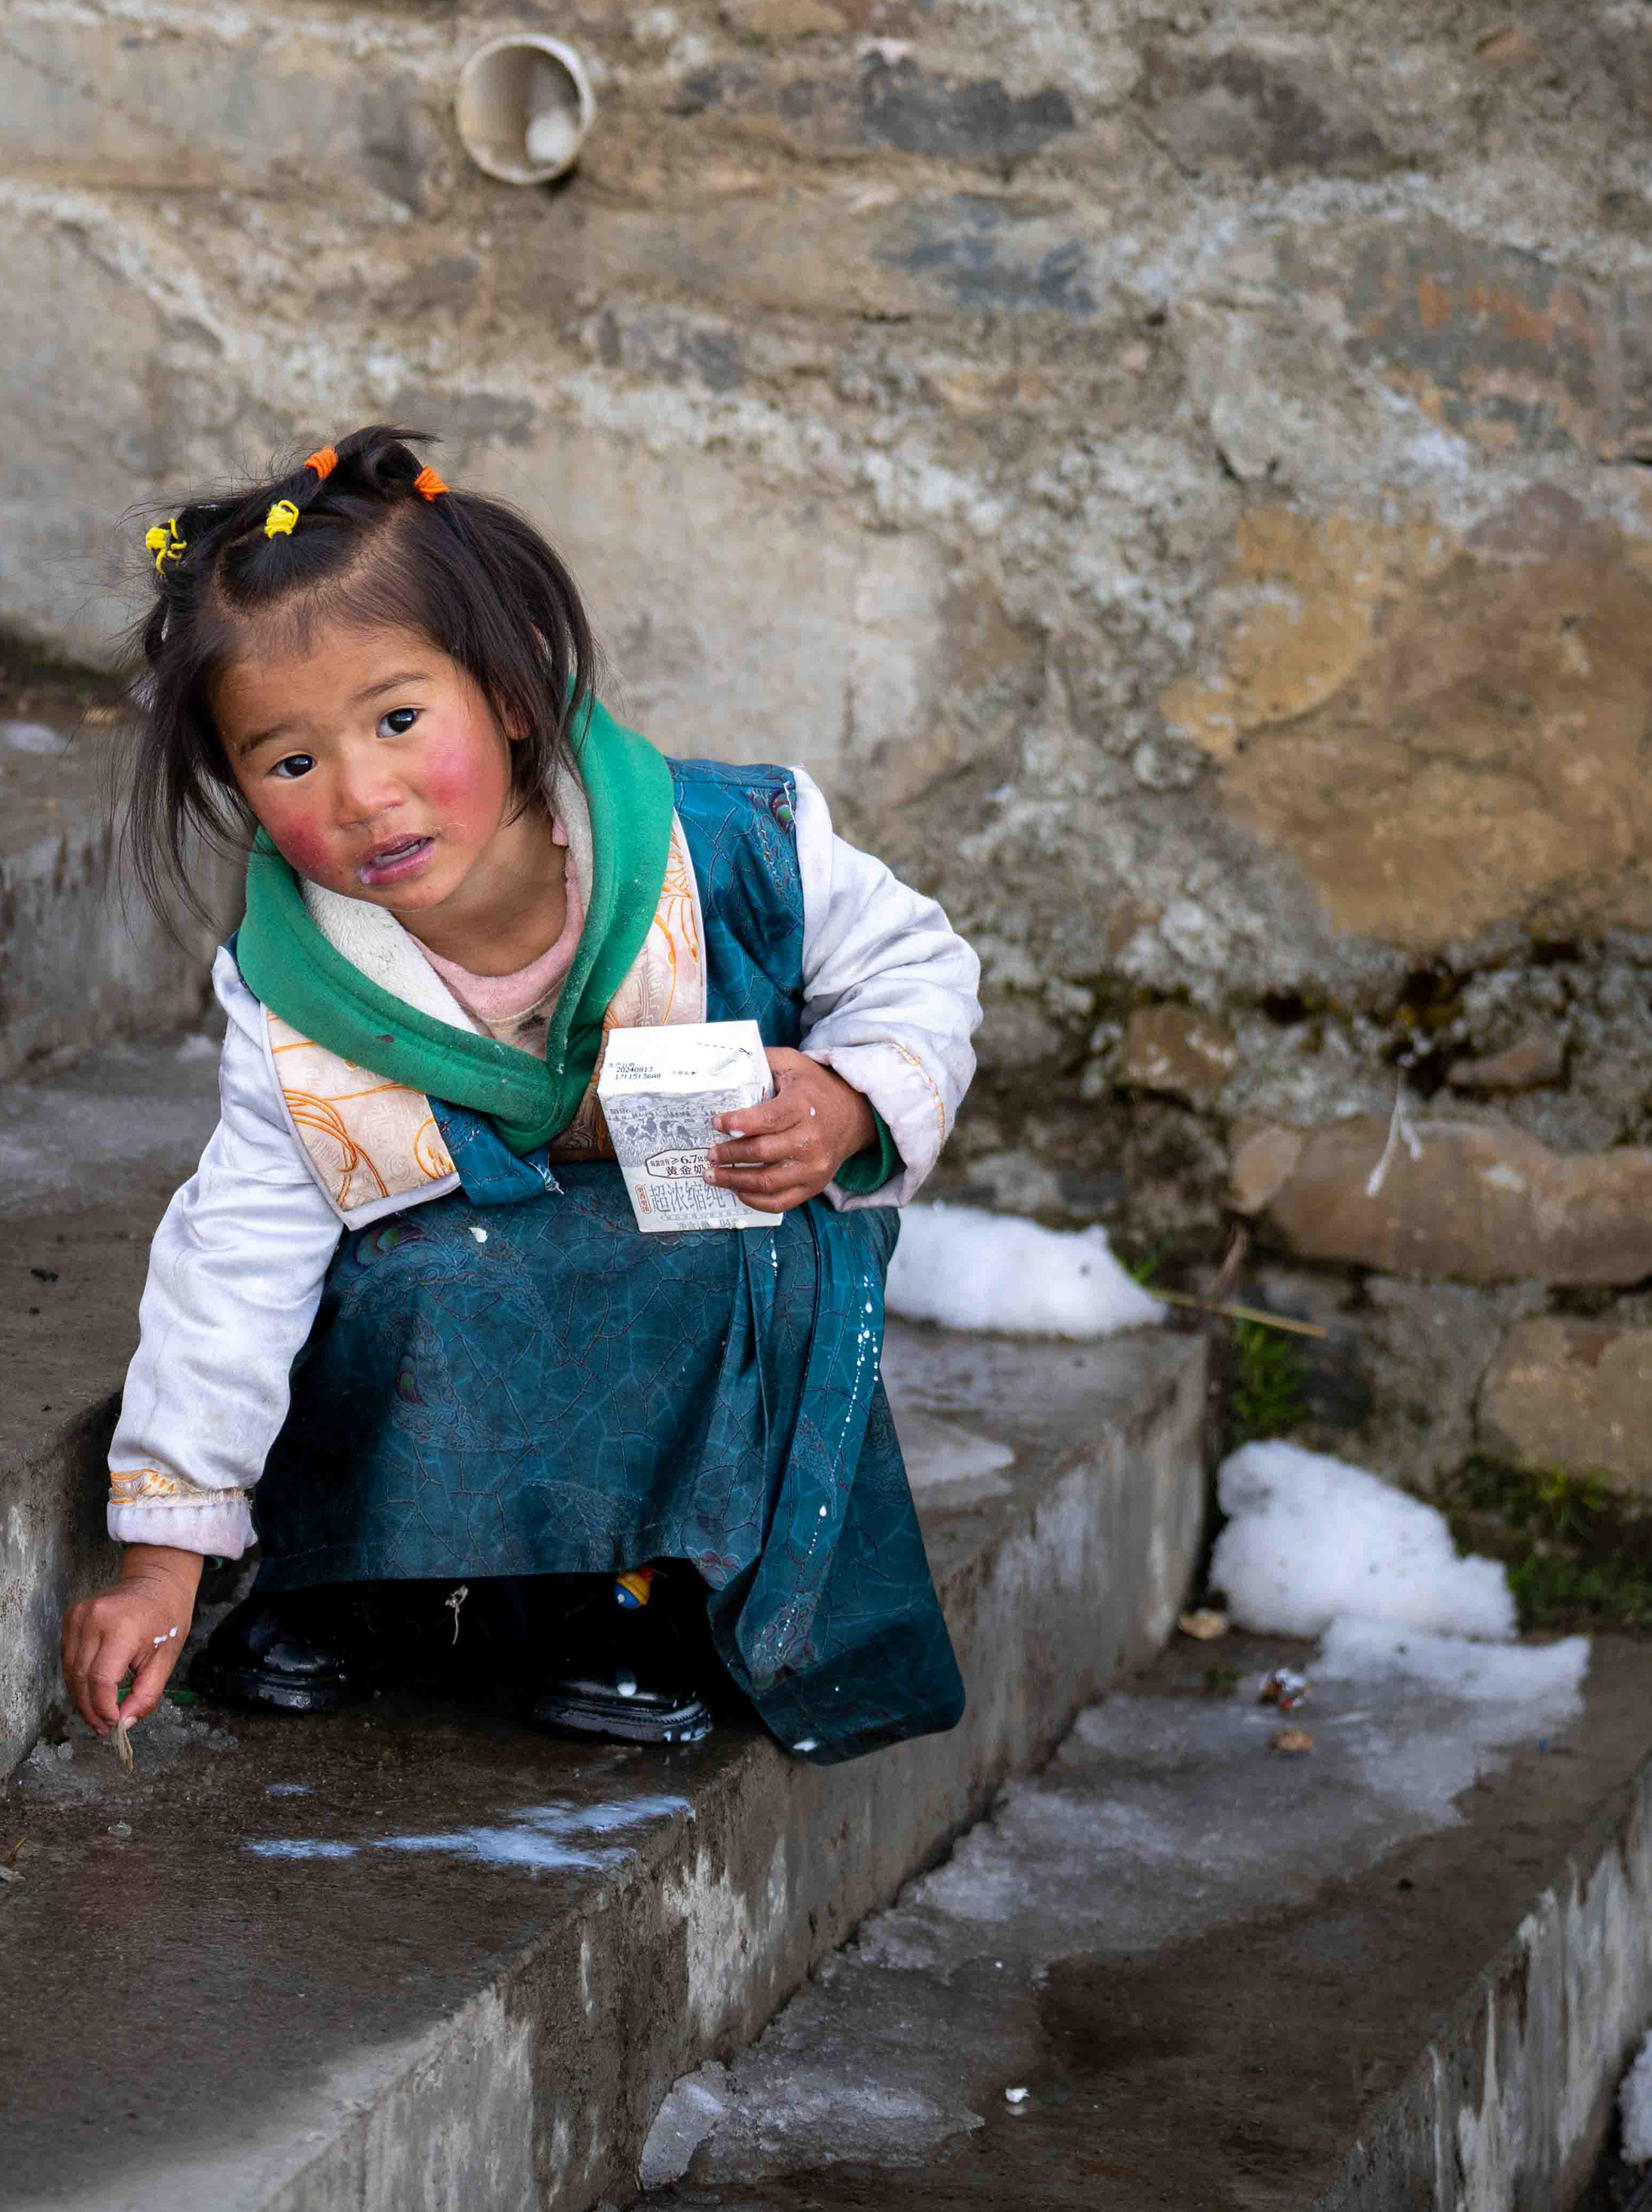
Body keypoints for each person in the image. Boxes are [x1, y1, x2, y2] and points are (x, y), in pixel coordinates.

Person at [60, 427, 980, 1756]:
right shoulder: (303, 995)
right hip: (473, 1281)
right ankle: (370, 1575)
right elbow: (238, 1257)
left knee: (702, 1267)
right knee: (394, 1275)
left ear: (508, 690)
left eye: (397, 720)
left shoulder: (732, 844)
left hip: (710, 1246)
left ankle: (633, 1592)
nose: (364, 795)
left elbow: (917, 969)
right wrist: (162, 1561)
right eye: (291, 761)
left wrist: (847, 1102)